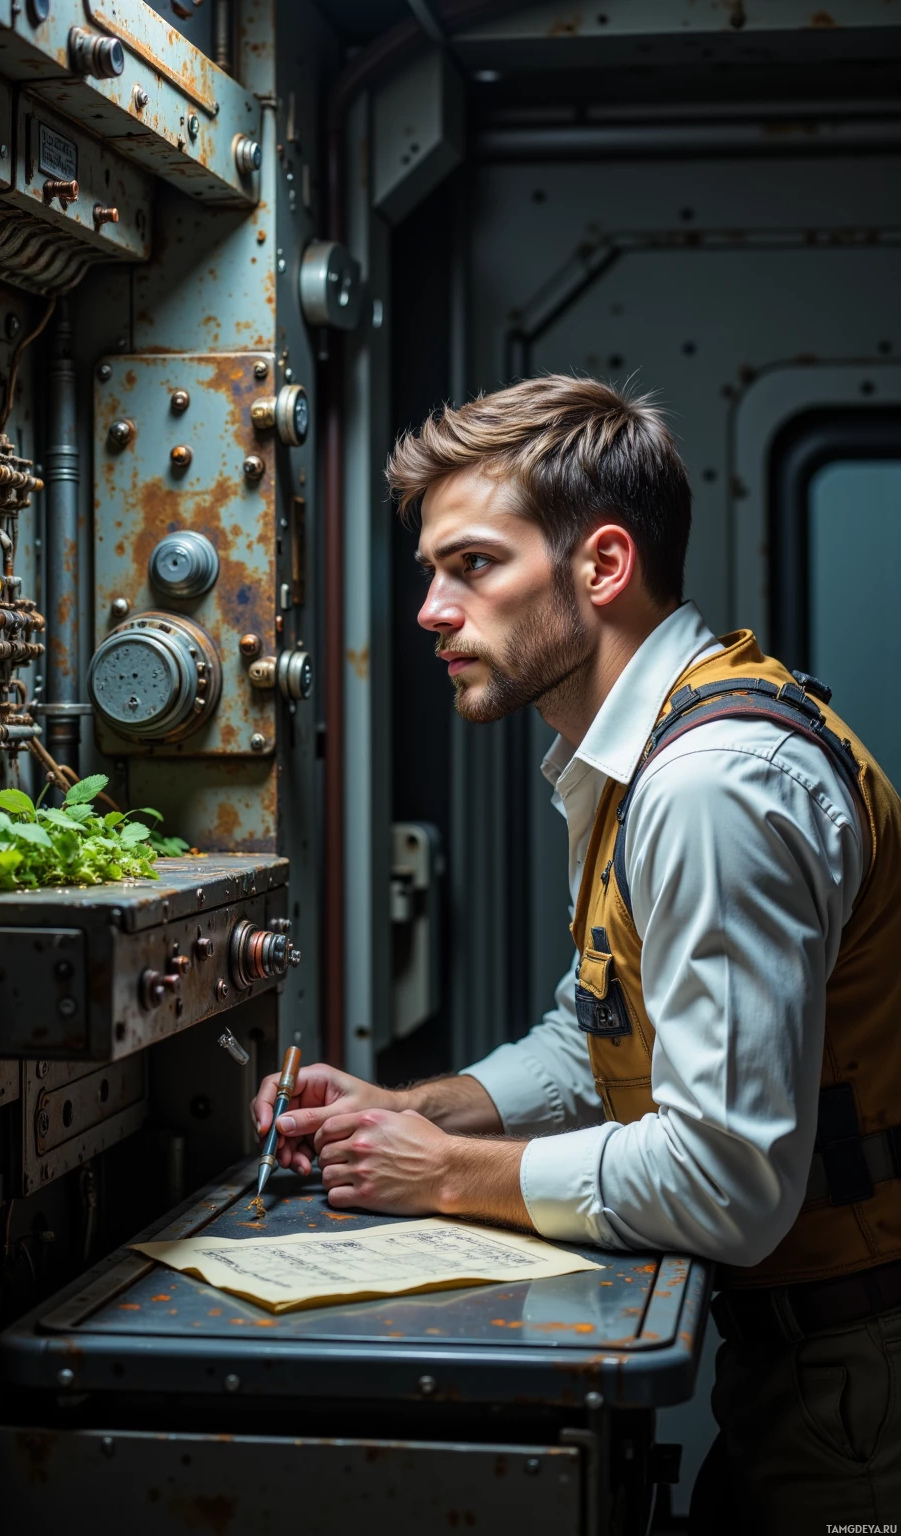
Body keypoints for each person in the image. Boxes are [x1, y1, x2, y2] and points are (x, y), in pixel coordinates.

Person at [252, 376, 901, 1531]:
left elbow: (728, 1183)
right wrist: (420, 1110)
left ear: (600, 569)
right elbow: (595, 1028)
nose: (430, 612)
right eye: (430, 573)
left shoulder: (710, 787)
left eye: (473, 566)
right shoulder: (643, 753)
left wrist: (444, 1177)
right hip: (804, 1356)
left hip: (864, 1376)